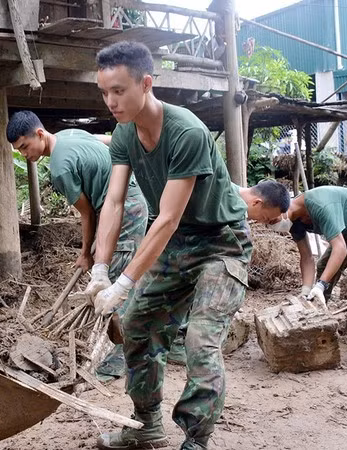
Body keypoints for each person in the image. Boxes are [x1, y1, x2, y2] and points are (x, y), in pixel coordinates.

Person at [85, 40, 251, 450]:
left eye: (119, 91)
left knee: (199, 340)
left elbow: (168, 218)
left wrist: (123, 283)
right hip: (176, 244)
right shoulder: (124, 134)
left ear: (146, 83)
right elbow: (115, 201)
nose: (111, 101)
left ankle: (196, 439)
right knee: (136, 325)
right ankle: (147, 427)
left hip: (220, 243)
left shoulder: (187, 132)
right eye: (104, 92)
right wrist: (100, 268)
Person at [6, 111, 147, 379]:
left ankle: (123, 360)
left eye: (24, 146)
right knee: (124, 277)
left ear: (39, 134)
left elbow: (87, 213)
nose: (24, 154)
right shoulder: (68, 136)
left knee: (118, 284)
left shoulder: (60, 168)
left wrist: (86, 254)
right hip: (127, 201)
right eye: (18, 150)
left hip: (124, 209)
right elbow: (105, 142)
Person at [267, 185, 347, 357]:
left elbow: (340, 248)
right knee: (324, 266)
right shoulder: (294, 221)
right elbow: (307, 257)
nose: (271, 225)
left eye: (271, 221)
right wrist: (306, 291)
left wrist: (321, 284)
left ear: (280, 208)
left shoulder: (319, 204)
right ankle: (314, 318)